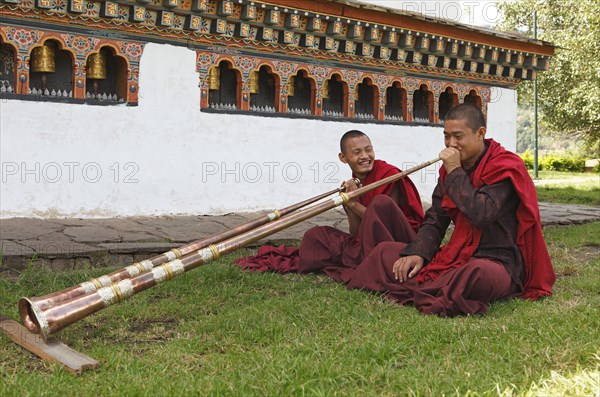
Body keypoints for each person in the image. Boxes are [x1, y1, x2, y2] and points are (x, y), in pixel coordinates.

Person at [345, 104, 556, 316]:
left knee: (477, 275)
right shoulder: (449, 172)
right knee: (385, 252)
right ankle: (438, 284)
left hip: (497, 260)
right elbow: (435, 219)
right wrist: (418, 253)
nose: (451, 144)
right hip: (456, 256)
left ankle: (432, 286)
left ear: (480, 133)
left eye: (458, 136)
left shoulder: (505, 167)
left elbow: (481, 214)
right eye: (446, 136)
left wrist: (454, 170)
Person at [235, 130, 424, 277]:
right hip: (368, 243)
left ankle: (363, 259)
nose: (365, 156)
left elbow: (382, 225)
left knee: (381, 203)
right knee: (316, 235)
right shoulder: (355, 182)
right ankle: (358, 257)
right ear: (344, 158)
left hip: (397, 242)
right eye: (357, 152)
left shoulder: (388, 175)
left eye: (369, 149)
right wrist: (349, 203)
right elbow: (357, 233)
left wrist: (352, 203)